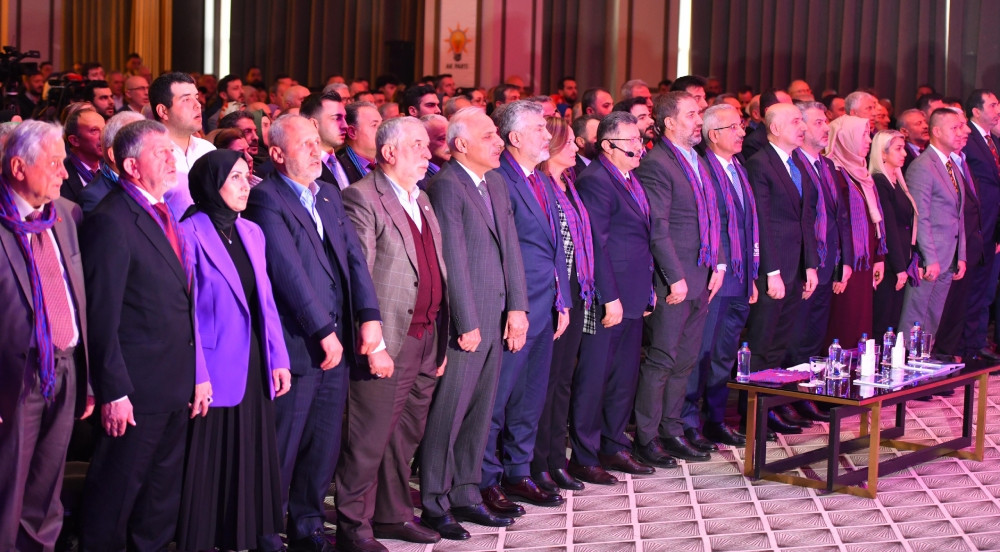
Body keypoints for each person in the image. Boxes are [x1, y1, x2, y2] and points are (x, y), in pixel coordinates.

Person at [244, 115, 383, 552]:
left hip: (337, 340)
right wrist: (322, 330)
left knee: (323, 444)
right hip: (298, 343)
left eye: (316, 143)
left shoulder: (327, 193)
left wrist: (369, 315)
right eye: (304, 144)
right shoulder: (266, 198)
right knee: (282, 446)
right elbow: (287, 272)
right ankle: (266, 532)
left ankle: (307, 526)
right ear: (276, 154)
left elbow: (354, 259)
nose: (316, 151)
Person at [80, 120, 209, 551]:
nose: (173, 160)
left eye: (173, 152)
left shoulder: (165, 210)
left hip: (174, 383)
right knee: (115, 498)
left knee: (160, 501)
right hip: (135, 391)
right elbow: (102, 316)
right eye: (161, 153)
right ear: (132, 166)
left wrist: (196, 375)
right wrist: (113, 391)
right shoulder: (110, 219)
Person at [337, 117, 448, 551]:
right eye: (417, 145)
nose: (427, 153)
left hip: (425, 336)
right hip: (388, 340)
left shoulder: (421, 197)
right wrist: (375, 344)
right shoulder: (362, 197)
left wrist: (440, 334)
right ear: (389, 152)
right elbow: (359, 275)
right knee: (368, 440)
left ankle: (393, 515)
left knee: (403, 438)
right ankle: (353, 527)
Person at [420, 108, 529, 540]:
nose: (499, 141)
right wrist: (466, 321)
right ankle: (435, 501)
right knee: (449, 413)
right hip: (466, 321)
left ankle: (466, 492)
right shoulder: (447, 186)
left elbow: (511, 249)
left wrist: (518, 307)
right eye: (489, 136)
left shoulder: (495, 181)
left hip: (497, 313)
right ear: (461, 144)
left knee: (481, 411)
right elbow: (454, 262)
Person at [175, 150, 292, 551]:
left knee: (250, 454)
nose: (246, 186)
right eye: (236, 178)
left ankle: (243, 538)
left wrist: (278, 357)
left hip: (254, 361)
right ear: (212, 184)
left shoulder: (251, 231)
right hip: (212, 366)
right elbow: (186, 312)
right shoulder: (188, 233)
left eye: (247, 176)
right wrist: (198, 374)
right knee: (211, 460)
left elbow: (266, 301)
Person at [0, 120, 90, 552]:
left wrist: (87, 378)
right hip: (13, 378)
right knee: (7, 489)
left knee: (46, 490)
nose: (64, 173)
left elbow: (78, 297)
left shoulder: (66, 215)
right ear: (18, 167)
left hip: (65, 368)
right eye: (54, 163)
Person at [480, 100, 569, 514]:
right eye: (538, 128)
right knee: (497, 401)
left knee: (530, 398)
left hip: (545, 305)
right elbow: (502, 252)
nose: (547, 135)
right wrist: (516, 307)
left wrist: (562, 298)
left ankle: (518, 471)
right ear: (514, 137)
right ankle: (485, 480)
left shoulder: (540, 179)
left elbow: (555, 246)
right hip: (514, 310)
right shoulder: (500, 179)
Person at [633, 91, 723, 463]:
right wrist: (674, 277)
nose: (699, 120)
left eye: (699, 114)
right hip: (674, 279)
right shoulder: (657, 162)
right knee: (662, 359)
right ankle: (647, 437)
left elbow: (713, 216)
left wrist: (719, 264)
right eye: (691, 114)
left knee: (686, 359)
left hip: (701, 273)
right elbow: (658, 227)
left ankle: (672, 430)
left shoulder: (697, 159)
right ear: (670, 122)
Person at [571, 111, 655, 482]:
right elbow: (597, 244)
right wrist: (610, 296)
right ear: (607, 145)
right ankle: (585, 455)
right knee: (595, 377)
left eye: (640, 139)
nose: (640, 146)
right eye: (631, 141)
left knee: (623, 376)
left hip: (634, 291)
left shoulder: (631, 178)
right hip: (609, 296)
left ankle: (613, 444)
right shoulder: (596, 180)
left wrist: (647, 289)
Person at [744, 103, 819, 435]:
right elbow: (760, 222)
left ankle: (774, 405)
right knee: (762, 344)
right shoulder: (760, 163)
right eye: (795, 121)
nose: (802, 127)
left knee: (781, 344)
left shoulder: (797, 162)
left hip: (796, 268)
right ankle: (755, 413)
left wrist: (810, 266)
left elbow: (806, 220)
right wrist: (771, 271)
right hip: (772, 270)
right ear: (774, 128)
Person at [685, 104, 757, 447]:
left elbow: (747, 225)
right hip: (715, 276)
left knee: (725, 354)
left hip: (740, 276)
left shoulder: (738, 167)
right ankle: (688, 422)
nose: (742, 132)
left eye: (741, 126)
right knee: (701, 353)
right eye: (734, 127)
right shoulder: (703, 168)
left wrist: (751, 274)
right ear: (713, 134)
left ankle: (715, 419)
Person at [531, 116, 594, 492]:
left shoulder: (568, 183)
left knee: (562, 382)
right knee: (545, 383)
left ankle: (557, 458)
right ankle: (537, 462)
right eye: (568, 142)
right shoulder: (538, 185)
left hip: (575, 287)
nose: (575, 147)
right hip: (553, 291)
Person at [899, 108, 969, 338]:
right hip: (930, 258)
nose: (961, 132)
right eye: (954, 128)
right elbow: (921, 216)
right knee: (916, 315)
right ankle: (907, 357)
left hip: (949, 255)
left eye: (961, 127)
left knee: (933, 316)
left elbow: (958, 214)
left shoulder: (951, 165)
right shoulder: (923, 166)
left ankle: (924, 355)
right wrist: (930, 257)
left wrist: (961, 255)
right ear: (936, 131)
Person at [823, 116, 885, 348]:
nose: (868, 141)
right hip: (846, 263)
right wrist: (841, 265)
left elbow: (874, 221)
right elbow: (835, 224)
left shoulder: (862, 174)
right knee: (843, 322)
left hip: (864, 263)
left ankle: (857, 367)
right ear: (845, 139)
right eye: (863, 135)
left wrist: (878, 257)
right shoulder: (834, 173)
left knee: (860, 323)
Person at [871, 130, 917, 338]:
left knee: (892, 320)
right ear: (882, 153)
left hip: (901, 260)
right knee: (882, 319)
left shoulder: (896, 181)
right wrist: (899, 267)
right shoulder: (879, 181)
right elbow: (888, 227)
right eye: (898, 149)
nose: (904, 153)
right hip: (890, 263)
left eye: (904, 148)